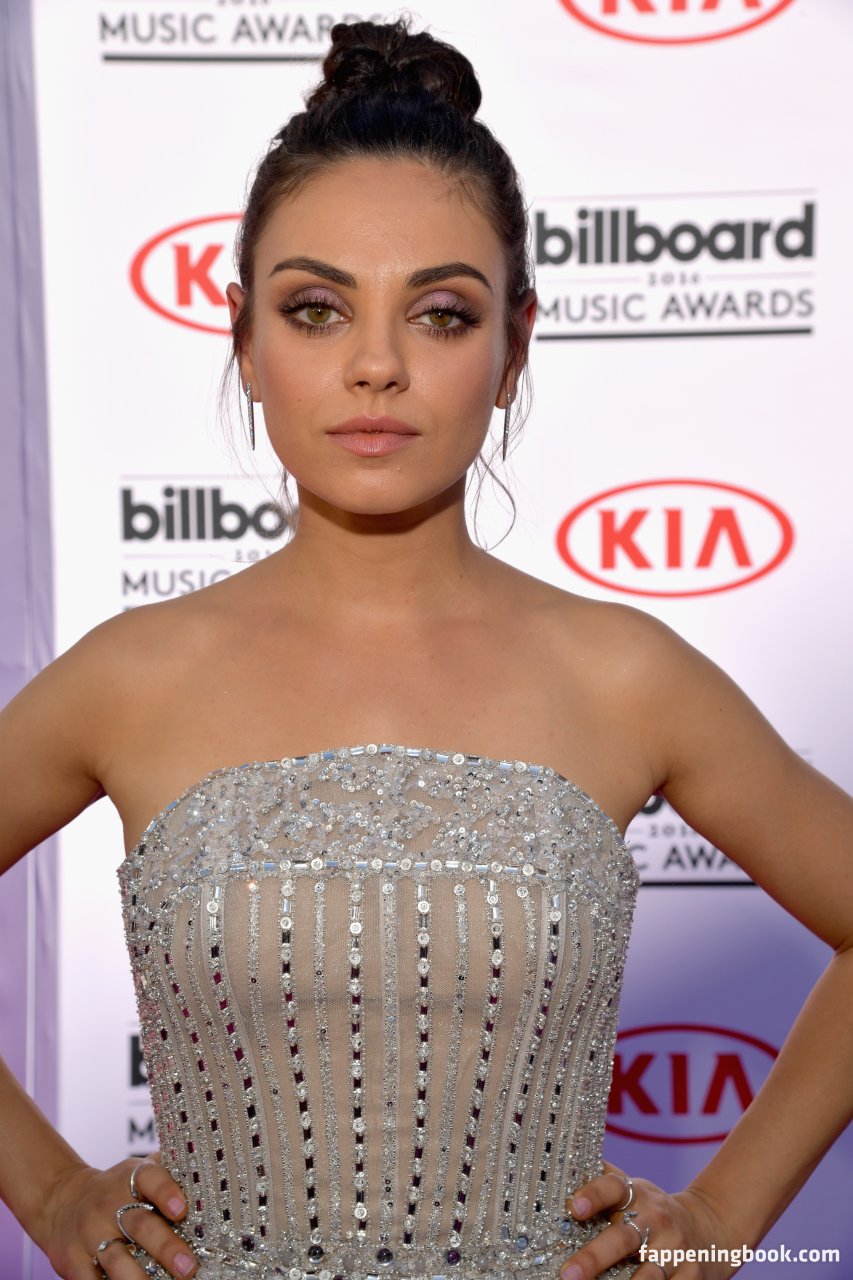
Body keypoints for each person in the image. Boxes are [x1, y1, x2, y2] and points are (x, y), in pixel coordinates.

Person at [0, 16, 851, 1280]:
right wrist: (50, 1187)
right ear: (243, 340)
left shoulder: (624, 674)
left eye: (441, 314)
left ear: (515, 345)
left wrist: (719, 1219)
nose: (376, 366)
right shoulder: (130, 677)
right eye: (316, 309)